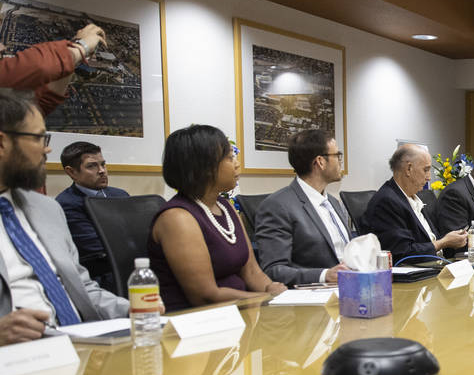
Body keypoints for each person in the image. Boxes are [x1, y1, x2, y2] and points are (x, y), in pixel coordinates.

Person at [0, 88, 127, 345]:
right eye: (38, 138)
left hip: (85, 346)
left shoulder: (47, 209)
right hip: (19, 360)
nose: (47, 151)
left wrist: (130, 309)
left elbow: (81, 287)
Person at [147, 125, 285, 312]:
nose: (237, 164)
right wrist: (266, 298)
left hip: (239, 313)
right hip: (195, 324)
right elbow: (205, 296)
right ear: (203, 167)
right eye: (229, 158)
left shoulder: (226, 207)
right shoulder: (177, 218)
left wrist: (273, 289)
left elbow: (252, 272)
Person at [254, 129, 353, 286]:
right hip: (312, 300)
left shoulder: (333, 202)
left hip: (349, 289)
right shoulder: (278, 206)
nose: (341, 161)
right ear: (320, 161)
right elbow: (274, 270)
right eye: (337, 155)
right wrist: (325, 275)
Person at [362, 143, 468, 260]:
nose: (429, 177)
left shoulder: (413, 198)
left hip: (435, 266)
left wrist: (453, 239)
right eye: (426, 170)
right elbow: (403, 252)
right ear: (408, 169)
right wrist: (443, 243)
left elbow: (428, 239)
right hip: (415, 273)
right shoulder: (387, 201)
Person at [54, 140, 130, 292]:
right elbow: (98, 248)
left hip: (131, 267)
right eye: (92, 166)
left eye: (103, 164)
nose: (102, 171)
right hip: (102, 277)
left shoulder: (120, 195)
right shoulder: (66, 204)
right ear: (71, 172)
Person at [0, 23, 107, 117]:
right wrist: (81, 46)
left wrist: (76, 49)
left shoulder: (21, 116)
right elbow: (41, 67)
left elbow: (46, 101)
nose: (3, 47)